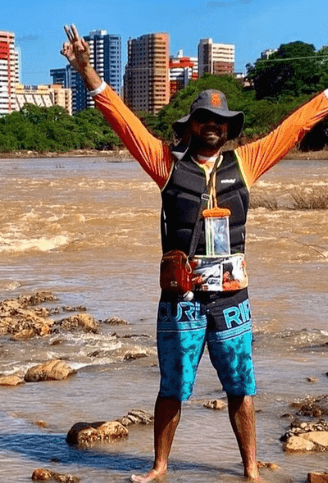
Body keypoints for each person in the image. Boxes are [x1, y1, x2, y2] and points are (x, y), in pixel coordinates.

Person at [61, 24, 328, 482]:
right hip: (181, 301)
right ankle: (160, 467)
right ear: (192, 125)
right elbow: (124, 124)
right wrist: (87, 73)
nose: (212, 127)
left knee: (241, 388)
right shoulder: (166, 163)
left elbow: (296, 125)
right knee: (173, 388)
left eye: (219, 122)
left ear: (228, 129)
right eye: (204, 119)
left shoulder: (247, 162)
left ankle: (250, 470)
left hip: (231, 301)